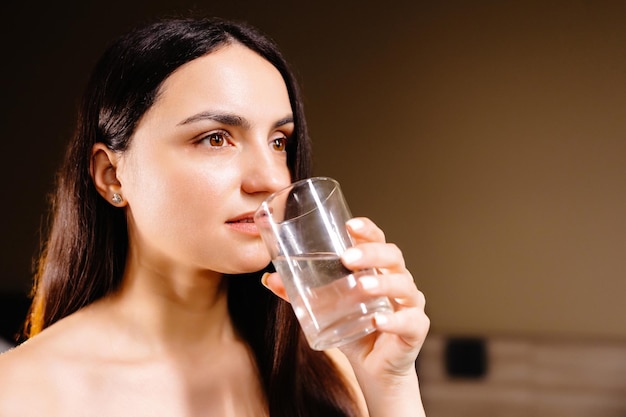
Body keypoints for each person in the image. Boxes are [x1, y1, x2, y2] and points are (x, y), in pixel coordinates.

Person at [0, 17, 429, 416]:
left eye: (279, 141)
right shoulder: (23, 391)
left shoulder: (330, 364)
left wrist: (392, 387)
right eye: (216, 138)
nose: (269, 179)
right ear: (113, 175)